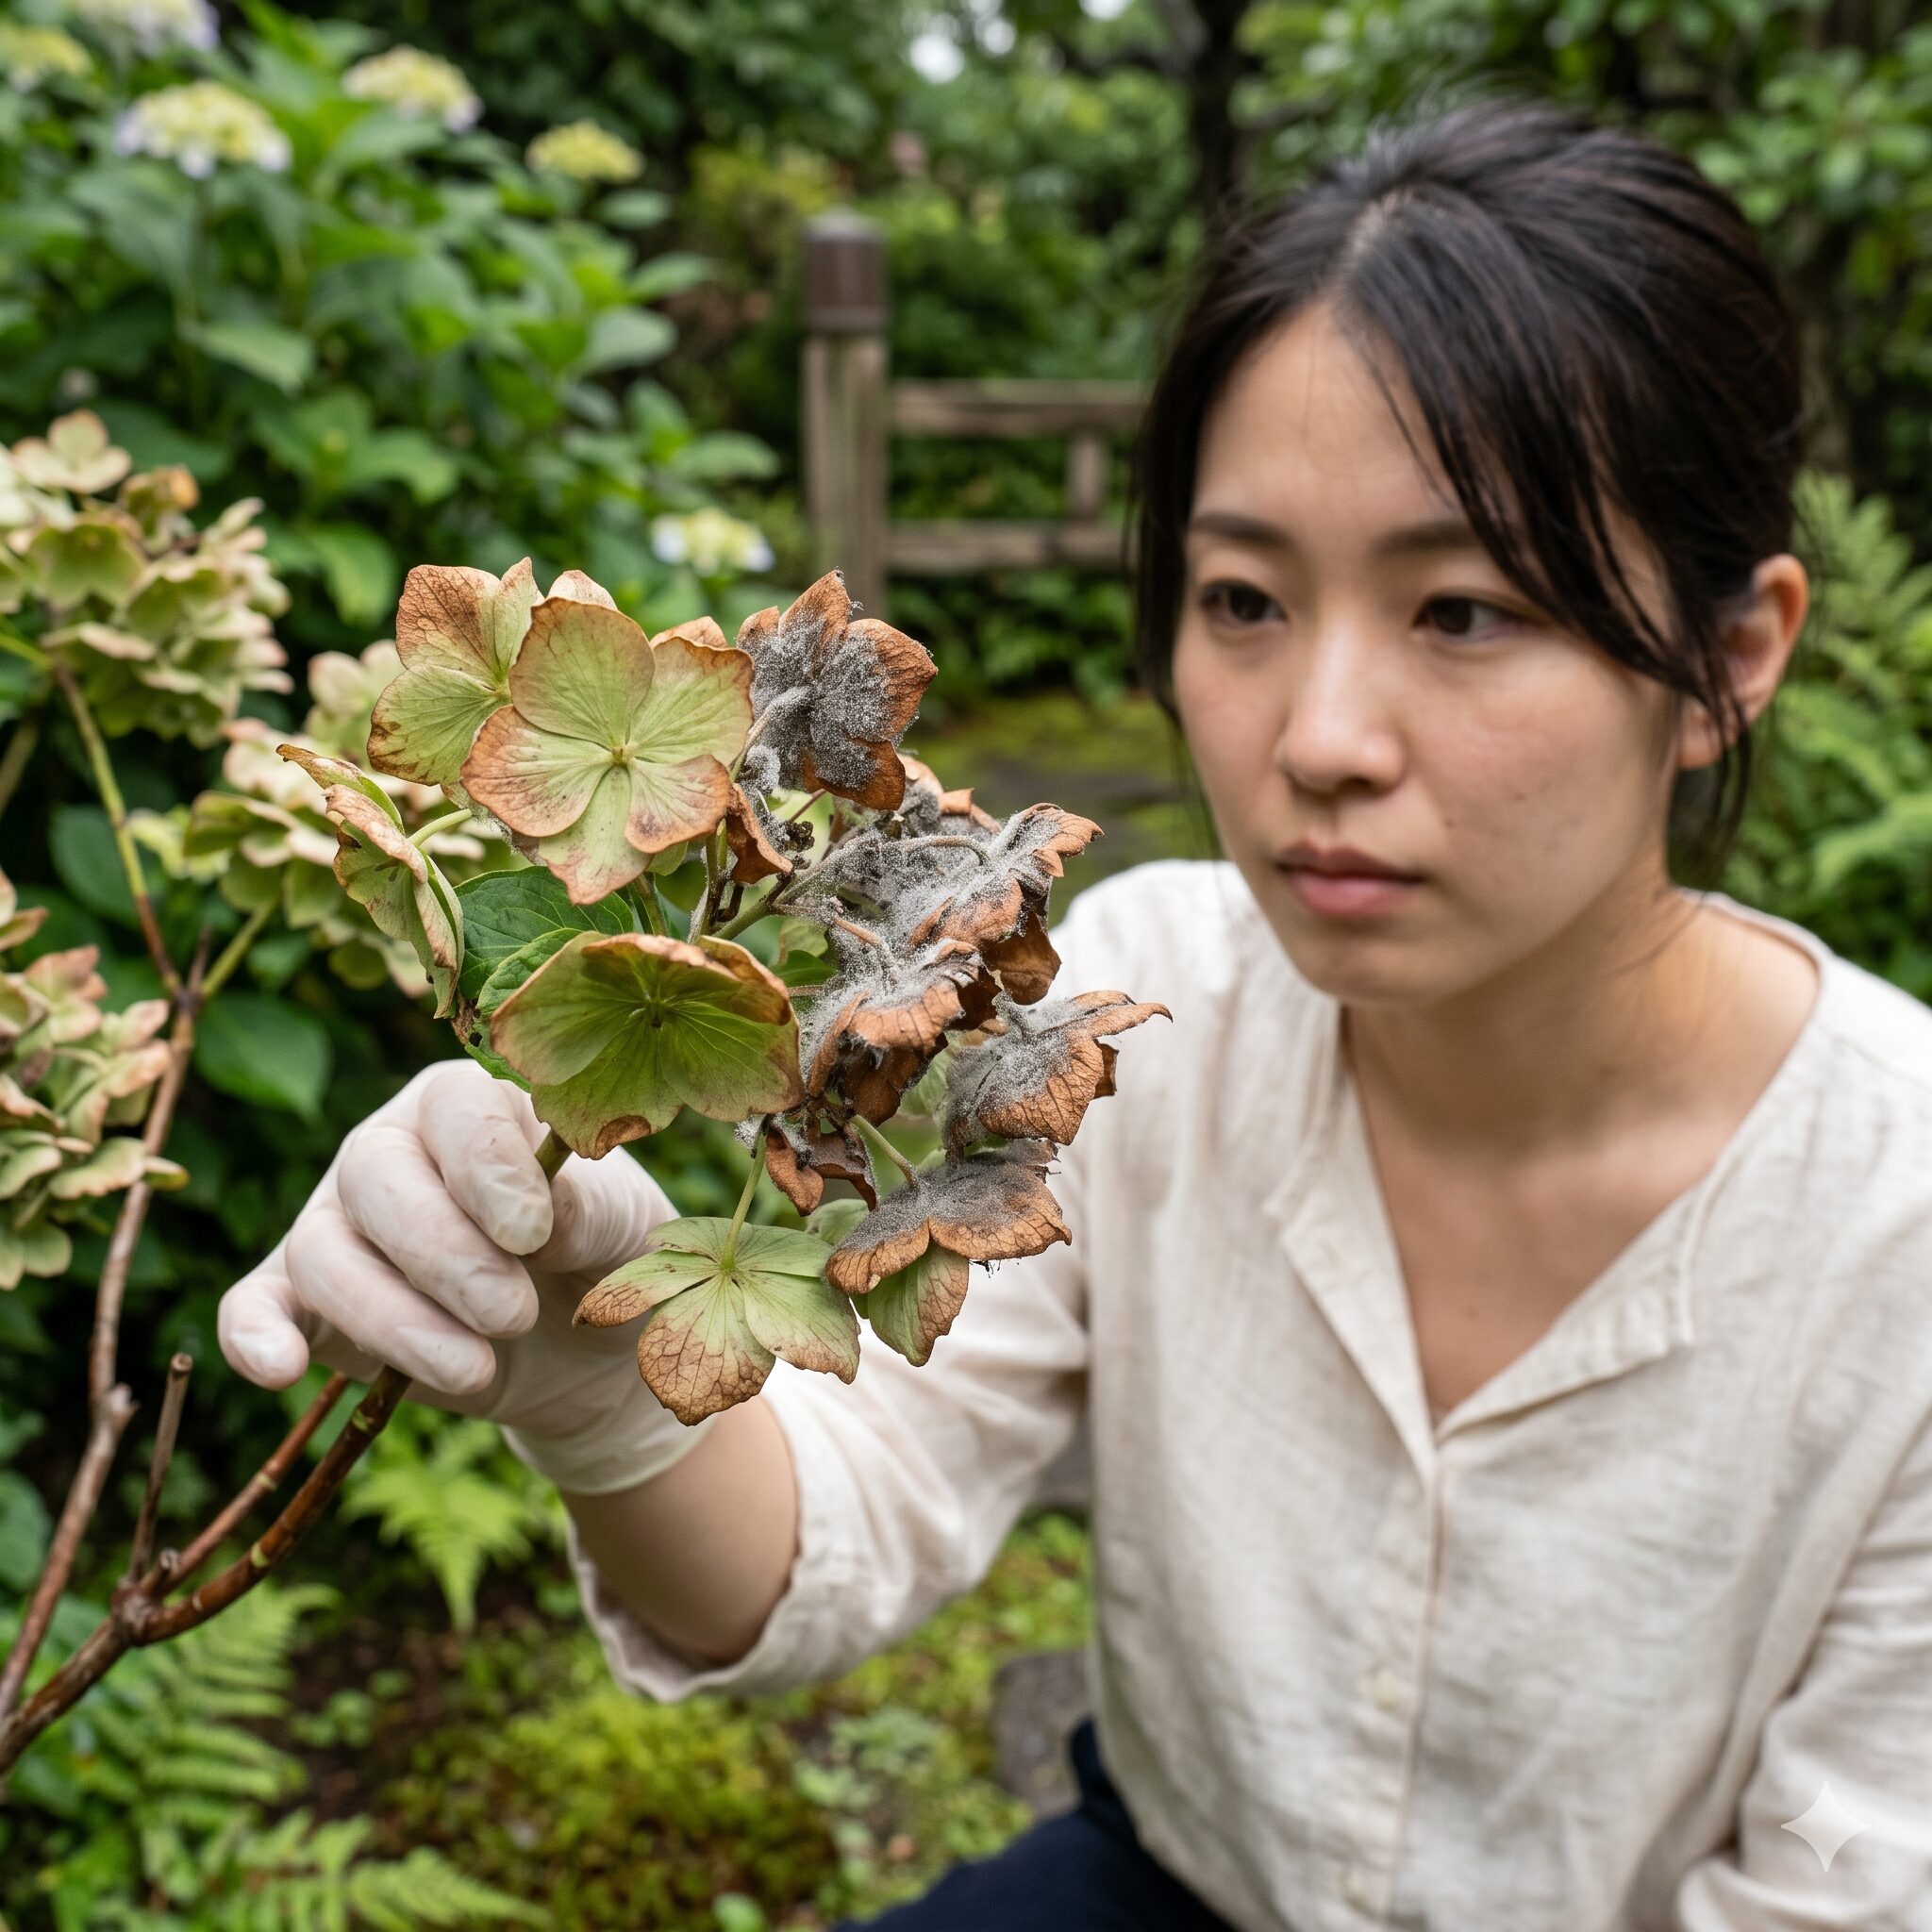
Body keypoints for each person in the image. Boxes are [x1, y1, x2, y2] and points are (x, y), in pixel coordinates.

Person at [217, 96, 1932, 1931]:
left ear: (1729, 658)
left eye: (1464, 608)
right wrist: (587, 1366)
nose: (1318, 739)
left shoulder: (1893, 1226)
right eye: (1243, 596)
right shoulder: (1151, 1001)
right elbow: (827, 1540)